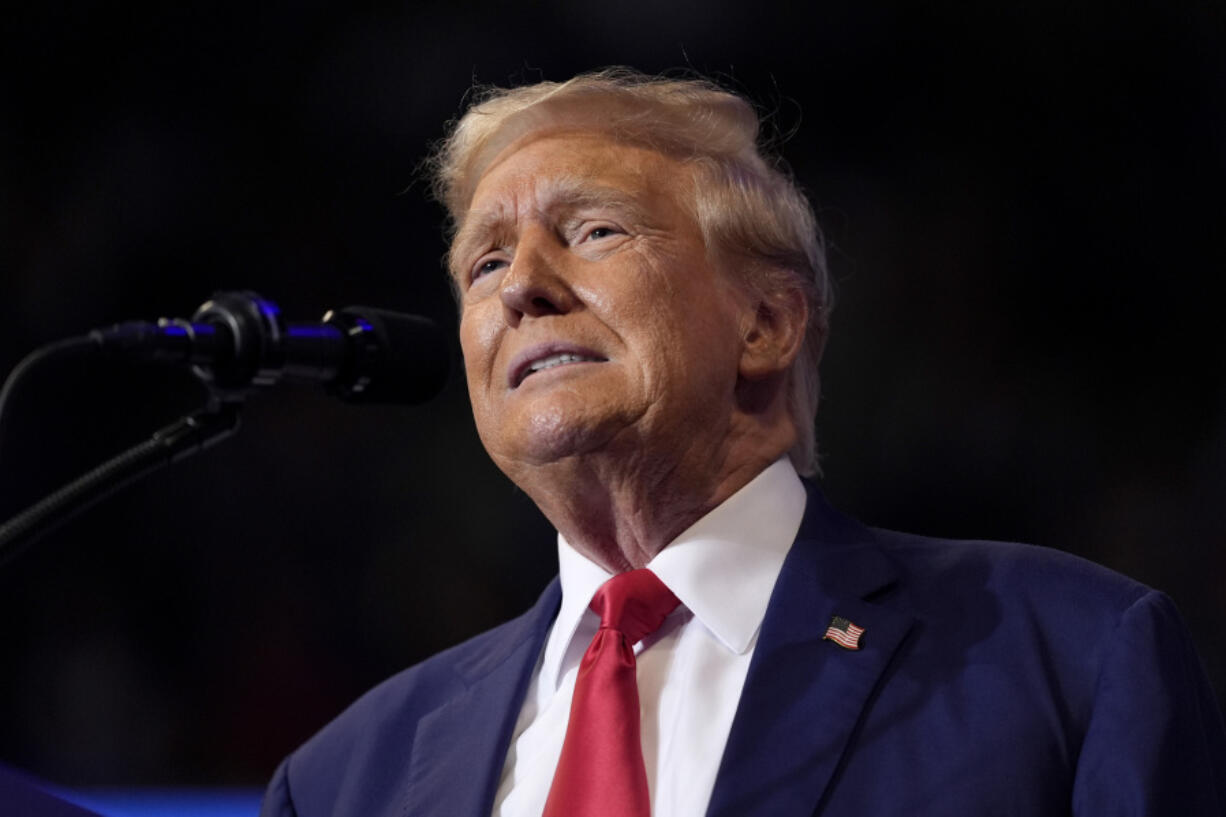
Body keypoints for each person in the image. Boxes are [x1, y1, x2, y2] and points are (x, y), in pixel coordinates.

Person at [259, 69, 1226, 817]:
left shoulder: (1069, 659)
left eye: (593, 229)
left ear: (766, 322)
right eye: (485, 260)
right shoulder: (350, 777)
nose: (522, 287)